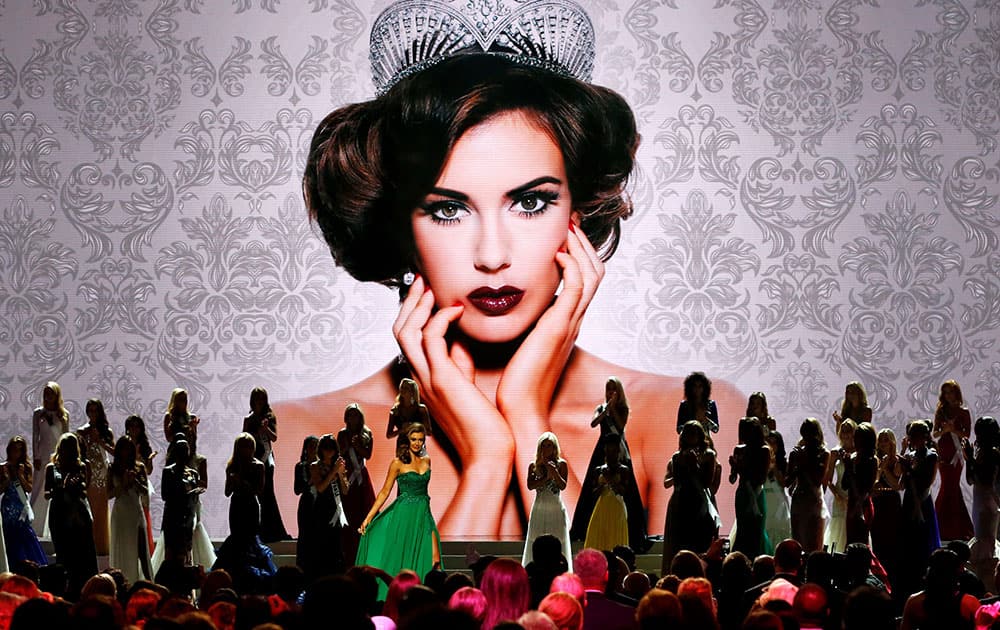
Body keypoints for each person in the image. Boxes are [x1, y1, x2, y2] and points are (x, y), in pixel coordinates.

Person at [272, 0, 746, 539]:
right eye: (448, 209)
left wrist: (525, 416)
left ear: (579, 210)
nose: (492, 255)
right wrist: (487, 457)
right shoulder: (301, 437)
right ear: (402, 229)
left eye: (531, 202)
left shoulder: (682, 422)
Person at [356, 423, 441, 599]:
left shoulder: (427, 460)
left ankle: (423, 599)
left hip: (423, 515)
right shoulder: (397, 463)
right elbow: (385, 492)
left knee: (434, 559)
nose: (417, 443)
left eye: (420, 440)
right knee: (400, 557)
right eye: (413, 439)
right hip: (403, 515)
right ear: (407, 440)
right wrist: (369, 518)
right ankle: (397, 598)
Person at [570, 377, 647, 550]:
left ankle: (630, 530)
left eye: (613, 388)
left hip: (619, 449)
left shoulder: (623, 408)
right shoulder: (600, 408)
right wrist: (605, 411)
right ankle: (586, 528)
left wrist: (613, 409)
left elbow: (620, 427)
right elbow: (593, 423)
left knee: (626, 487)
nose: (610, 392)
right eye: (608, 388)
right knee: (594, 486)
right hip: (602, 449)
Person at [212, 433, 277, 593]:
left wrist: (241, 481)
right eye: (243, 446)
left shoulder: (258, 466)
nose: (246, 449)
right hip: (237, 505)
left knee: (250, 540)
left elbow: (259, 491)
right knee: (236, 540)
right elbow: (227, 492)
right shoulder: (232, 465)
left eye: (248, 446)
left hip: (251, 506)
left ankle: (255, 581)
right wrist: (232, 480)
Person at [45, 432, 98, 597]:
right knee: (63, 551)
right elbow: (47, 493)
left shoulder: (80, 466)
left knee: (82, 552)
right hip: (59, 511)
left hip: (78, 512)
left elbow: (84, 490)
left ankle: (84, 589)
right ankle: (64, 589)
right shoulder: (51, 468)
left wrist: (76, 485)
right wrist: (62, 487)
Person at [662, 420, 719, 572]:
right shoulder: (677, 456)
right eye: (687, 434)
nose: (690, 437)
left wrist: (695, 465)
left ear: (701, 435)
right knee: (679, 544)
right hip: (680, 504)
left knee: (699, 542)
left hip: (699, 503)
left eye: (694, 433)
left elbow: (707, 482)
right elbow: (676, 481)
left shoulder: (709, 455)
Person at [898, 419, 942, 601]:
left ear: (924, 437)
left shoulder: (931, 455)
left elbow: (926, 481)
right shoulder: (910, 454)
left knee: (924, 539)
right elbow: (902, 483)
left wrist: (910, 469)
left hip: (922, 501)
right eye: (911, 437)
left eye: (916, 437)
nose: (913, 441)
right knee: (909, 540)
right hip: (909, 499)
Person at [242, 387, 289, 543]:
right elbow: (243, 439)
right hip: (253, 460)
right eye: (256, 399)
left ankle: (272, 531)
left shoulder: (269, 417)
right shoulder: (248, 419)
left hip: (266, 459)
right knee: (254, 494)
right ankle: (254, 530)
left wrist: (265, 428)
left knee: (267, 494)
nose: (259, 402)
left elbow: (274, 438)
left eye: (262, 399)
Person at [522, 432, 572, 570]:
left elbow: (562, 485)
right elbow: (530, 486)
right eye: (544, 446)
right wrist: (546, 477)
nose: (547, 448)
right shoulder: (534, 466)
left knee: (557, 539)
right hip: (540, 507)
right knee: (536, 539)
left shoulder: (562, 464)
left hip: (555, 506)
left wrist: (554, 472)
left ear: (554, 447)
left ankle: (560, 569)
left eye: (549, 445)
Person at [934, 379, 975, 541]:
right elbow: (935, 434)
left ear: (956, 393)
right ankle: (946, 527)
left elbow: (967, 435)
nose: (948, 395)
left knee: (952, 486)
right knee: (947, 485)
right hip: (944, 450)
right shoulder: (941, 411)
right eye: (946, 392)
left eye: (951, 392)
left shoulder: (963, 412)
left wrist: (954, 430)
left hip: (957, 453)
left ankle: (955, 527)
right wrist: (945, 429)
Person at [108, 436, 152, 585]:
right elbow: (109, 494)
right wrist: (124, 484)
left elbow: (145, 491)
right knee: (123, 549)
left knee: (142, 550)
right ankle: (124, 584)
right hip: (121, 513)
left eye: (129, 448)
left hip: (136, 511)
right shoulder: (112, 468)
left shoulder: (139, 467)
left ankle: (149, 582)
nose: (126, 452)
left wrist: (136, 482)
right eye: (123, 448)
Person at [963, 416, 1000, 586]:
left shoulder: (993, 453)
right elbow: (971, 479)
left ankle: (989, 586)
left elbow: (984, 479)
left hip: (986, 504)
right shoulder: (982, 452)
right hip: (981, 503)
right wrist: (969, 459)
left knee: (985, 543)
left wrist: (970, 459)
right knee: (984, 540)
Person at [306, 433, 349, 579]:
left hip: (336, 508)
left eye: (332, 447)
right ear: (321, 449)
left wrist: (341, 474)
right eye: (326, 448)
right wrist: (333, 472)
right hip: (321, 508)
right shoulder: (315, 466)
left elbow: (345, 490)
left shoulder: (340, 464)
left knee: (336, 544)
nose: (329, 451)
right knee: (321, 543)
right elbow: (320, 488)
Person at [337, 403, 375, 563]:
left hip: (360, 476)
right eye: (350, 415)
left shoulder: (367, 433)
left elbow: (368, 455)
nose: (353, 418)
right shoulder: (342, 434)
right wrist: (348, 445)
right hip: (347, 475)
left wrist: (358, 445)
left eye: (356, 415)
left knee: (363, 509)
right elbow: (339, 453)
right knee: (347, 511)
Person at [0, 436, 47, 566]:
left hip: (21, 504)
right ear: (9, 450)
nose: (16, 453)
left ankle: (28, 565)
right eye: (14, 450)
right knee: (9, 532)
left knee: (24, 532)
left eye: (20, 450)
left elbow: (29, 488)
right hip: (8, 504)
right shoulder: (3, 467)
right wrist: (7, 479)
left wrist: (20, 475)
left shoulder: (26, 467)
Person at [31, 381, 69, 534]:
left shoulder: (64, 414)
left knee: (56, 487)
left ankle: (53, 527)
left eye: (51, 393)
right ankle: (35, 525)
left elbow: (66, 436)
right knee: (39, 487)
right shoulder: (38, 413)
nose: (47, 396)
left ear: (56, 394)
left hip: (57, 455)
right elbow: (35, 435)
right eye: (46, 393)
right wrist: (36, 456)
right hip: (42, 453)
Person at [730, 416, 772, 559]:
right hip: (742, 494)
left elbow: (761, 478)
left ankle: (759, 562)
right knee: (743, 531)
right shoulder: (739, 449)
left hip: (757, 494)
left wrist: (743, 468)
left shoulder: (764, 450)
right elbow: (732, 478)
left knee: (757, 531)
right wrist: (734, 467)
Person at [786, 418, 830, 552]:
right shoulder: (796, 453)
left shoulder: (823, 454)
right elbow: (788, 482)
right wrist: (794, 463)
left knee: (815, 541)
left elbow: (818, 480)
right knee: (798, 542)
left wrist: (803, 460)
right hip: (800, 498)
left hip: (814, 499)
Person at [77, 398, 114, 556]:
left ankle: (102, 546)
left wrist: (100, 440)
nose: (93, 414)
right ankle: (88, 545)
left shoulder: (106, 431)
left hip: (102, 472)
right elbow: (78, 453)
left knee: (101, 510)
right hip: (88, 472)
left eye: (95, 410)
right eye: (90, 410)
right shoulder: (81, 431)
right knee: (88, 510)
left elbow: (114, 452)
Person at [158, 437, 203, 566]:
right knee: (172, 550)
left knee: (186, 549)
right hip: (173, 516)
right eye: (181, 450)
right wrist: (184, 494)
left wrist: (194, 494)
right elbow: (165, 495)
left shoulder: (193, 473)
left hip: (187, 515)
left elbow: (194, 497)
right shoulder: (169, 471)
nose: (184, 453)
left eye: (186, 450)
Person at [583, 434, 630, 552]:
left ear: (618, 451)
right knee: (599, 538)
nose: (611, 454)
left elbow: (624, 491)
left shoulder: (624, 469)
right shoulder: (599, 470)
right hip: (601, 507)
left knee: (616, 538)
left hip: (617, 507)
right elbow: (593, 494)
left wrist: (610, 479)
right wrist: (601, 485)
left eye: (613, 450)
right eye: (608, 450)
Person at [870, 428, 901, 587]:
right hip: (878, 503)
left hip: (892, 503)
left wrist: (884, 468)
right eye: (880, 440)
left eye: (885, 440)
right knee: (878, 540)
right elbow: (873, 485)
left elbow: (897, 485)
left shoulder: (896, 461)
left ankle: (893, 577)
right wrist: (879, 468)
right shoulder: (873, 460)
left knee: (892, 541)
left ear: (892, 442)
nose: (882, 443)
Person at [124, 415, 157, 554]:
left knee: (143, 514)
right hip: (126, 482)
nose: (134, 429)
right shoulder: (124, 444)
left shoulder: (144, 446)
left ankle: (145, 549)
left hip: (141, 483)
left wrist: (148, 460)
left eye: (137, 426)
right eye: (131, 426)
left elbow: (149, 471)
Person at [824, 419, 856, 554]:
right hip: (840, 497)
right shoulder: (835, 452)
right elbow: (828, 479)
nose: (845, 435)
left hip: (854, 496)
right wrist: (837, 495)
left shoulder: (858, 452)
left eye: (848, 431)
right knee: (838, 528)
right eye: (843, 431)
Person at [843, 422, 877, 546]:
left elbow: (866, 490)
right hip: (852, 504)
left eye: (859, 438)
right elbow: (844, 485)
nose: (855, 441)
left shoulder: (871, 461)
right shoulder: (852, 458)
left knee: (861, 543)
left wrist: (857, 508)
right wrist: (847, 467)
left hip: (863, 505)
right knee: (850, 542)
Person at [762, 431, 792, 548]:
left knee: (779, 530)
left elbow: (783, 483)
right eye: (769, 442)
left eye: (775, 443)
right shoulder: (761, 462)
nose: (772, 445)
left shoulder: (784, 463)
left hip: (778, 501)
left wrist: (774, 467)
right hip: (765, 498)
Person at [293, 435, 318, 573]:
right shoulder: (300, 467)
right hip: (306, 505)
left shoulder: (324, 466)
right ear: (306, 449)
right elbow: (297, 490)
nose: (313, 449)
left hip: (320, 505)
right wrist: (310, 481)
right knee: (304, 537)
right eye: (311, 446)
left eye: (316, 446)